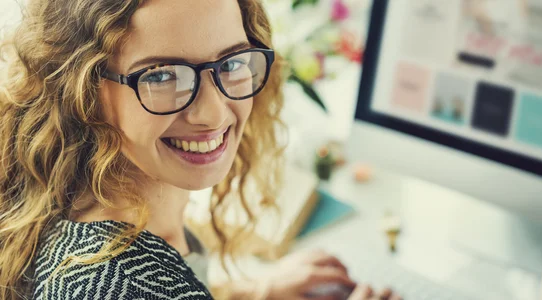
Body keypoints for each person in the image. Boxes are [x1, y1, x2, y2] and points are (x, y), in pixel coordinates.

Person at [0, 0, 401, 299]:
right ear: (83, 89)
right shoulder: (114, 286)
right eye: (161, 75)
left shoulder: (77, 197)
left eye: (230, 64)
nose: (212, 113)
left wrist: (256, 291)